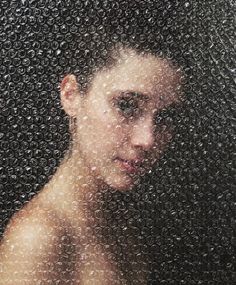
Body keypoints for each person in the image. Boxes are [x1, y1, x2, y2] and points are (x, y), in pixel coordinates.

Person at [0, 2, 185, 284]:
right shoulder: (38, 240)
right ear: (71, 95)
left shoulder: (120, 221)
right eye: (126, 106)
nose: (147, 139)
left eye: (165, 117)